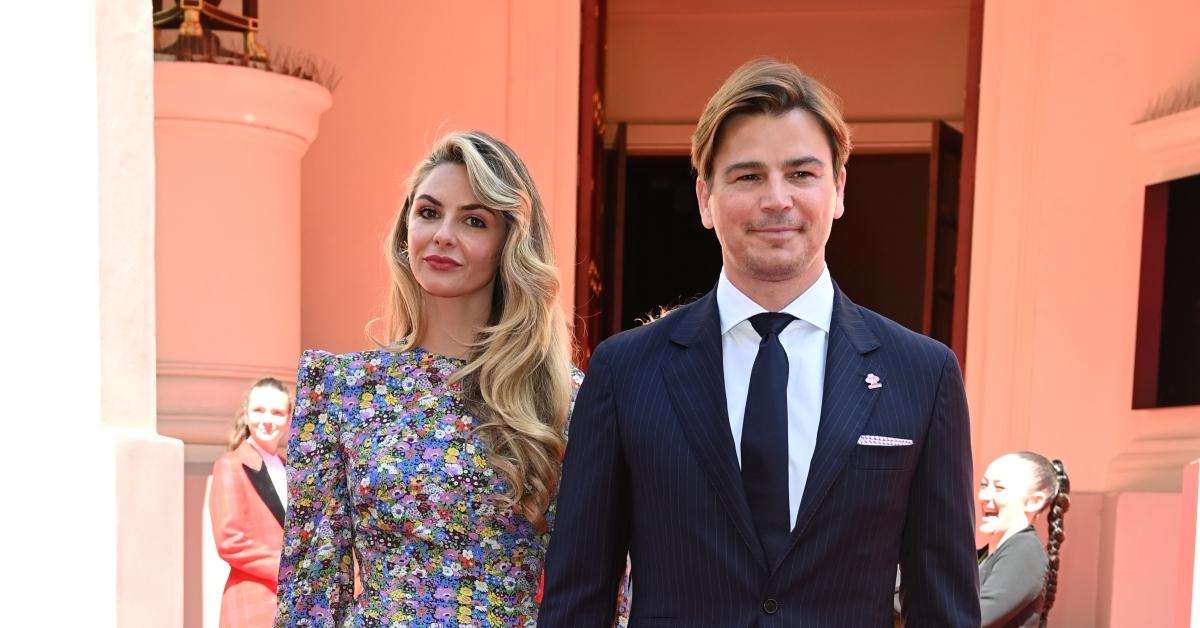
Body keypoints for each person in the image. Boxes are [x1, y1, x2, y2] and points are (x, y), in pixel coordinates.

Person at [539, 57, 980, 627]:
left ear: (839, 188)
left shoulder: (922, 374)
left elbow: (943, 606)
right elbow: (578, 596)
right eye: (748, 176)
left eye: (801, 174)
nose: (777, 200)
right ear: (705, 198)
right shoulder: (626, 371)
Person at [274, 131, 579, 626]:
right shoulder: (341, 389)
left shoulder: (562, 399)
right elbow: (310, 589)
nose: (442, 235)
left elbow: (603, 589)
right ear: (405, 229)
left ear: (510, 245)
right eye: (429, 212)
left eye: (474, 220)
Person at [210, 377, 292, 627]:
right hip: (252, 605)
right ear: (246, 414)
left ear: (289, 418)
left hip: (289, 605)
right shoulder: (230, 465)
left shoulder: (290, 470)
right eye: (259, 410)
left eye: (277, 412)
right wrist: (289, 568)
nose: (268, 420)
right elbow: (230, 541)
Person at [977, 452, 1071, 628]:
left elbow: (971, 619)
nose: (983, 496)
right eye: (984, 485)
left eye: (999, 488)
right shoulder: (985, 555)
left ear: (1034, 501)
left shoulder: (1024, 552)